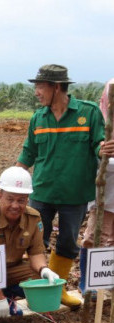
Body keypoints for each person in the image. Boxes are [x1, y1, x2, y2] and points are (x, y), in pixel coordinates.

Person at [16, 64, 114, 308]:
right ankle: (37, 288)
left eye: (40, 86)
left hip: (75, 194)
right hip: (42, 192)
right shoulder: (39, 117)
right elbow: (29, 151)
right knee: (36, 239)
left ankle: (57, 290)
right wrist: (13, 179)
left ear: (56, 87)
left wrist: (103, 149)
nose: (37, 92)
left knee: (68, 243)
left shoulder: (88, 113)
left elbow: (97, 145)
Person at [0, 167, 60, 317]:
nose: (15, 205)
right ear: (0, 195)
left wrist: (44, 270)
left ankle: (9, 294)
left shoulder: (34, 218)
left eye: (21, 200)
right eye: (10, 199)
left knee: (38, 277)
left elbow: (36, 253)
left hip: (11, 268)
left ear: (28, 199)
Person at [80, 77, 114, 295]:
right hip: (104, 193)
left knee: (111, 240)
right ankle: (88, 283)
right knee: (94, 237)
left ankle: (106, 282)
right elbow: (95, 158)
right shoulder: (100, 124)